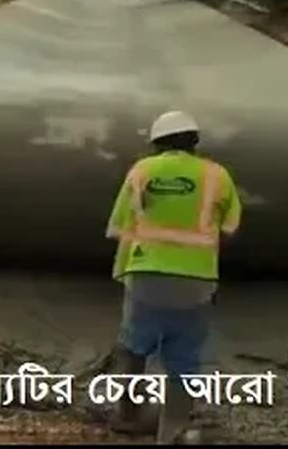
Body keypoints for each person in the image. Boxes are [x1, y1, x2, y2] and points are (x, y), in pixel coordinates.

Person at [104, 110, 242, 443]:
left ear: (156, 143)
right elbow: (230, 227)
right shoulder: (216, 176)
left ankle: (128, 416)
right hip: (195, 283)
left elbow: (118, 227)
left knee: (134, 348)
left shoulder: (142, 171)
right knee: (184, 358)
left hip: (145, 277)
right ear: (194, 141)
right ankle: (173, 431)